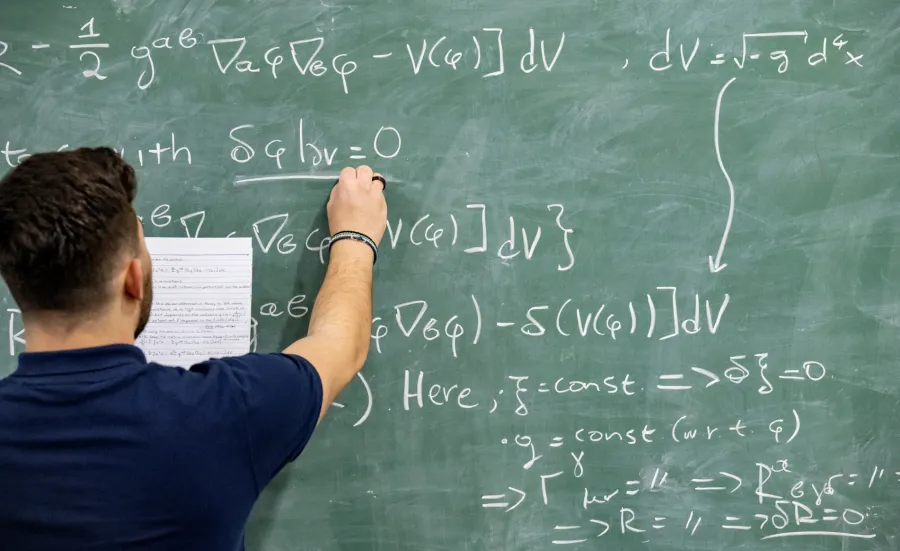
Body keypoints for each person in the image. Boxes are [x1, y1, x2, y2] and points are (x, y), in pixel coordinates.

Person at [0, 147, 388, 550]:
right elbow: (340, 345)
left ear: (17, 287)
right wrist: (354, 236)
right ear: (134, 278)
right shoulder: (226, 412)